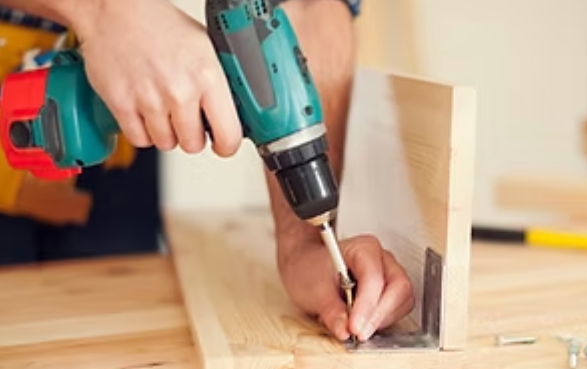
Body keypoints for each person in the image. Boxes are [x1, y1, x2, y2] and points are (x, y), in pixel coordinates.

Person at [0, 0, 415, 342]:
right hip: (43, 65)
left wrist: (303, 244)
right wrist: (108, 13)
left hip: (102, 114)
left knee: (103, 336)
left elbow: (307, 7)